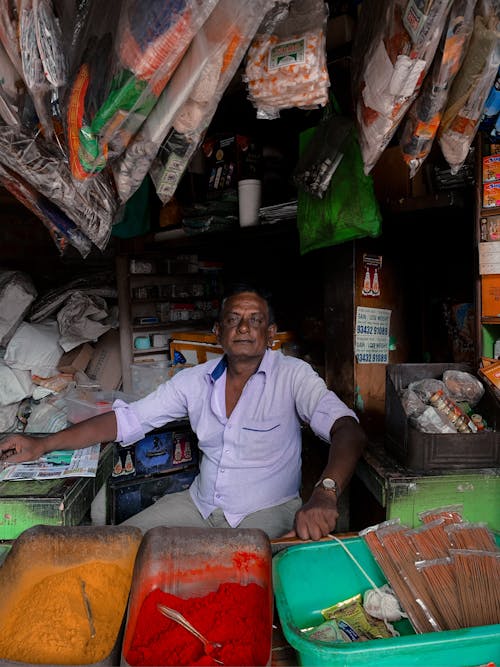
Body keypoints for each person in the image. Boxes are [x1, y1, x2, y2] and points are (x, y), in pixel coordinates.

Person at [0, 283, 367, 540]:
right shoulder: (195, 381)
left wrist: (326, 491)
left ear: (270, 333)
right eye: (233, 319)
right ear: (218, 332)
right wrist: (41, 444)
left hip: (267, 513)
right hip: (198, 507)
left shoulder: (293, 375)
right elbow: (128, 419)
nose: (243, 328)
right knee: (115, 546)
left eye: (254, 320)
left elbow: (347, 429)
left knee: (239, 589)